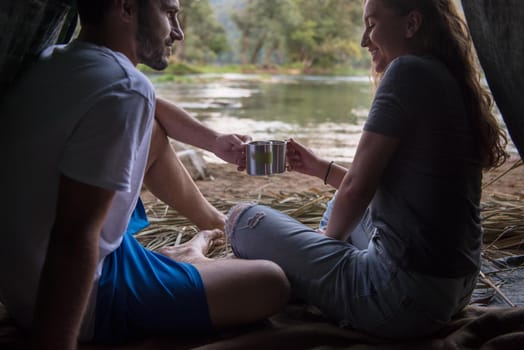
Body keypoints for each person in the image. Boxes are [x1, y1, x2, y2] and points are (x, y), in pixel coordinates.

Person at [0, 1, 290, 349]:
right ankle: (189, 261)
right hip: (79, 297)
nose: (178, 32)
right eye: (169, 13)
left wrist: (214, 142)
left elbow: (150, 102)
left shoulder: (59, 58)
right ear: (125, 8)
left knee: (150, 131)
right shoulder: (125, 89)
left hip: (19, 279)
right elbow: (73, 235)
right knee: (271, 283)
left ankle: (213, 223)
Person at [225, 0, 508, 339]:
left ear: (411, 23)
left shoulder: (407, 71)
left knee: (241, 220)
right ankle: (320, 272)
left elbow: (357, 189)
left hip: (401, 299)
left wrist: (322, 249)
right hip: (454, 286)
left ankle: (318, 277)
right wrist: (319, 167)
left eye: (372, 24)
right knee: (336, 209)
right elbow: (374, 189)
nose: (364, 40)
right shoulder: (445, 75)